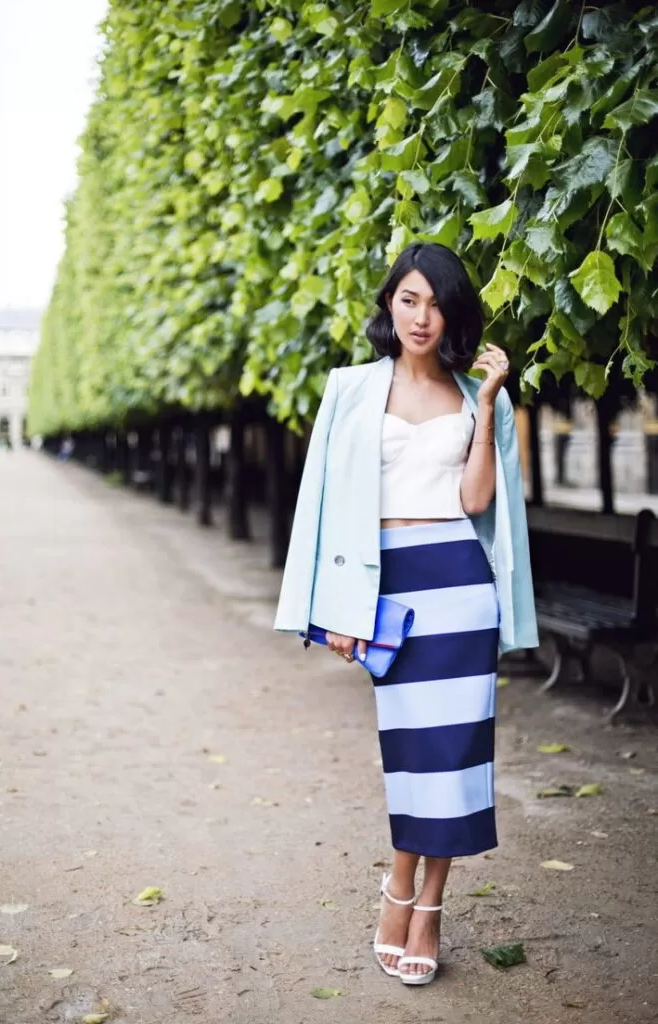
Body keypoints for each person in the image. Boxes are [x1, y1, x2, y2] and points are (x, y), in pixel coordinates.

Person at [274, 242, 538, 986]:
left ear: (452, 311)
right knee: (410, 759)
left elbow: (478, 503)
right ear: (390, 304)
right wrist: (328, 612)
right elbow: (319, 507)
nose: (422, 316)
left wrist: (484, 407)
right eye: (408, 299)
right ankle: (398, 887)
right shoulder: (350, 389)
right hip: (388, 591)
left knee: (456, 757)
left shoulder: (477, 392)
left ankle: (426, 908)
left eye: (436, 302)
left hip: (459, 586)